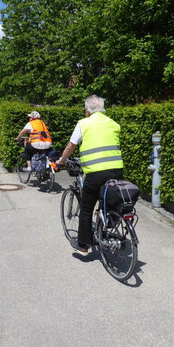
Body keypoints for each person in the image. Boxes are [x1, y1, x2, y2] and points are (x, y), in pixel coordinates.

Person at [56, 95, 124, 256]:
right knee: (108, 201)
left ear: (87, 110)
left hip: (95, 173)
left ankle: (83, 246)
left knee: (86, 209)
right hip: (116, 170)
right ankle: (108, 226)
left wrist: (61, 160)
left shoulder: (84, 123)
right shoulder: (113, 123)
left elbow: (71, 146)